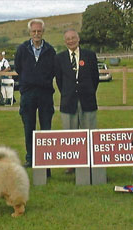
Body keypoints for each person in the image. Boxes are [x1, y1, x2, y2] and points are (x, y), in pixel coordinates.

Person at [54, 29, 99, 174]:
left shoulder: (90, 55)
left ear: (78, 38)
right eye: (68, 39)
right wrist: (69, 93)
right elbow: (60, 81)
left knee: (89, 132)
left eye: (73, 38)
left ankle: (90, 162)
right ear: (64, 41)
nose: (71, 41)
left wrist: (87, 91)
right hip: (68, 101)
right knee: (70, 135)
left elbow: (95, 78)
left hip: (88, 100)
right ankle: (71, 164)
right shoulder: (59, 58)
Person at [14, 18, 56, 171]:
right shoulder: (22, 49)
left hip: (45, 94)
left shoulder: (50, 50)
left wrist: (42, 80)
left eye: (39, 31)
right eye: (34, 31)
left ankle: (45, 160)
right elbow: (19, 68)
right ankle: (30, 158)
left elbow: (53, 70)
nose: (36, 33)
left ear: (43, 32)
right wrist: (29, 80)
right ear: (30, 32)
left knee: (46, 127)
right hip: (28, 94)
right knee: (29, 127)